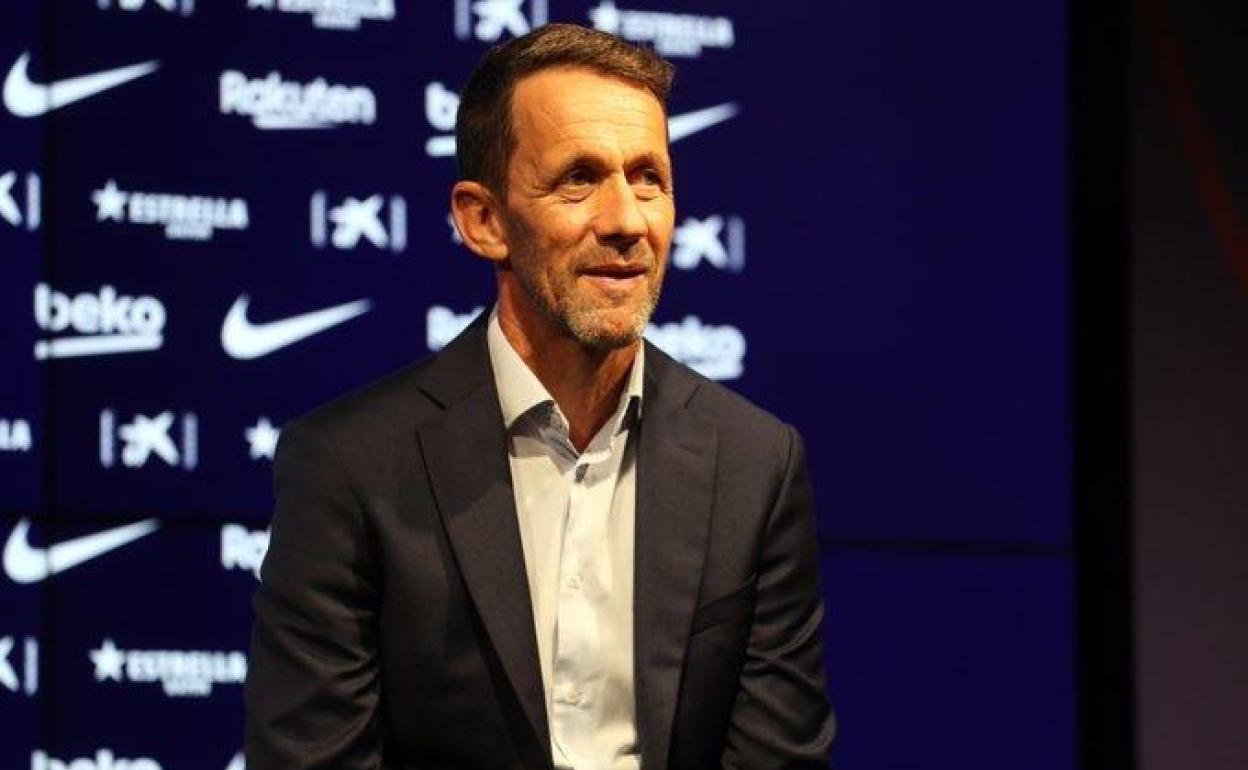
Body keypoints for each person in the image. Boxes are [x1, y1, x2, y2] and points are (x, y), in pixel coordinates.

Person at [244, 23, 834, 770]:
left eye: (648, 178)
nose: (626, 221)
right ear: (483, 220)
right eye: (578, 179)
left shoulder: (755, 464)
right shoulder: (349, 467)